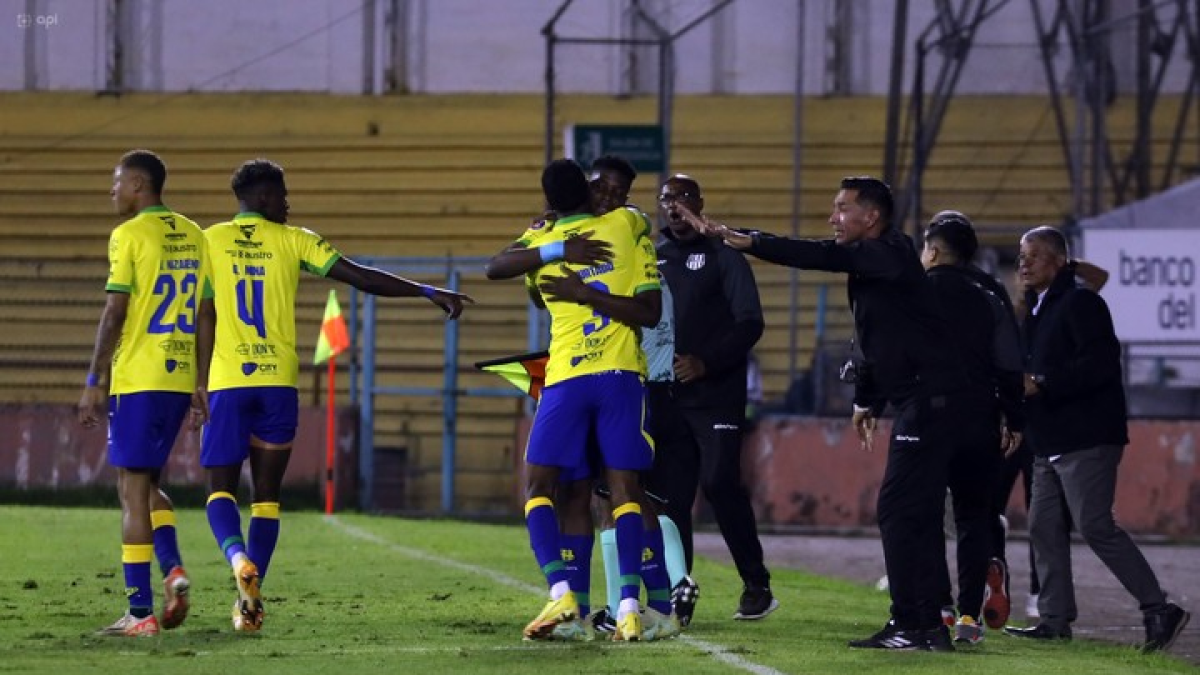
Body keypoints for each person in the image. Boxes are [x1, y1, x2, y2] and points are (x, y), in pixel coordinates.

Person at [189, 158, 471, 632]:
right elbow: (362, 277)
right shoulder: (296, 239)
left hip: (227, 383)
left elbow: (206, 315)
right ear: (261, 198)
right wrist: (425, 290)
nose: (288, 202)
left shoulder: (209, 240)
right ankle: (250, 605)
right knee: (267, 498)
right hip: (277, 382)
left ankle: (238, 560)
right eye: (281, 195)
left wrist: (198, 381)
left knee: (219, 489)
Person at [688, 176, 966, 651]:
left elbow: (823, 254)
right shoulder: (880, 262)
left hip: (931, 402)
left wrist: (754, 242)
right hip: (923, 400)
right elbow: (884, 340)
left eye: (841, 208)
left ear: (871, 217)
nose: (832, 218)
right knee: (913, 513)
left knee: (898, 511)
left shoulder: (888, 253)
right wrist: (868, 399)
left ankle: (910, 624)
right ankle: (929, 627)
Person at [1003, 226, 1190, 653]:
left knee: (1095, 525)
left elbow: (1102, 364)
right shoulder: (1038, 308)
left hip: (1085, 436)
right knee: (1042, 526)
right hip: (1048, 438)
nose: (1023, 264)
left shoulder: (1081, 302)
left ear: (1057, 261)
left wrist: (1045, 382)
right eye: (1020, 256)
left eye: (1032, 256)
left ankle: (1159, 608)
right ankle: (1053, 618)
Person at [501, 158, 662, 642]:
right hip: (616, 378)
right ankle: (614, 608)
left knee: (545, 489)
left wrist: (553, 248)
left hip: (570, 379)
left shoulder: (540, 243)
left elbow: (498, 268)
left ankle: (566, 593)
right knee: (615, 490)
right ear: (589, 188)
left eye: (619, 190)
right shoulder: (627, 224)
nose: (613, 197)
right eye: (605, 188)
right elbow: (643, 219)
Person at [78, 150, 205, 637]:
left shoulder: (128, 235)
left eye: (116, 183)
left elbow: (115, 312)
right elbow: (205, 311)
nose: (111, 192)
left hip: (138, 377)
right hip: (175, 378)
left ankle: (139, 613)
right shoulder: (193, 234)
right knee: (145, 485)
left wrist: (94, 381)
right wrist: (197, 379)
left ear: (137, 185)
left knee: (131, 492)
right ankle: (172, 568)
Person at [650, 174, 776, 621]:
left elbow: (749, 323)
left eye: (682, 197)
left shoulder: (724, 253)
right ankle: (676, 593)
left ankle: (757, 583)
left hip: (718, 394)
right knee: (672, 497)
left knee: (720, 482)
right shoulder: (653, 255)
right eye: (666, 198)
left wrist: (706, 361)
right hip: (669, 396)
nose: (673, 205)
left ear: (699, 203)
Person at [920, 211, 1024, 643]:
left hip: (930, 416)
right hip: (980, 418)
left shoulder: (919, 288)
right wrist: (1013, 417)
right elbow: (1009, 361)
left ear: (936, 249)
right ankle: (969, 617)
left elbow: (895, 347)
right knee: (973, 518)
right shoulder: (992, 291)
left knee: (925, 514)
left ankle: (939, 608)